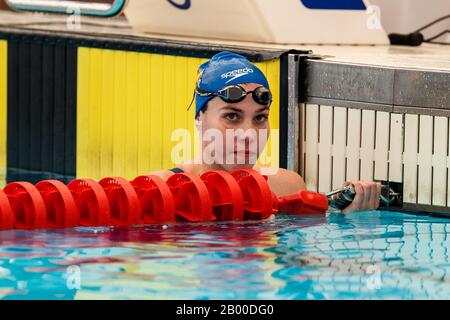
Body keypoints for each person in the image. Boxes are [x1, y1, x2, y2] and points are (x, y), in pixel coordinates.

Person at [150, 51, 381, 212]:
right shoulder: (162, 189)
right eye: (232, 116)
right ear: (200, 119)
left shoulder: (286, 186)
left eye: (260, 117)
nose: (249, 134)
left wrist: (353, 220)